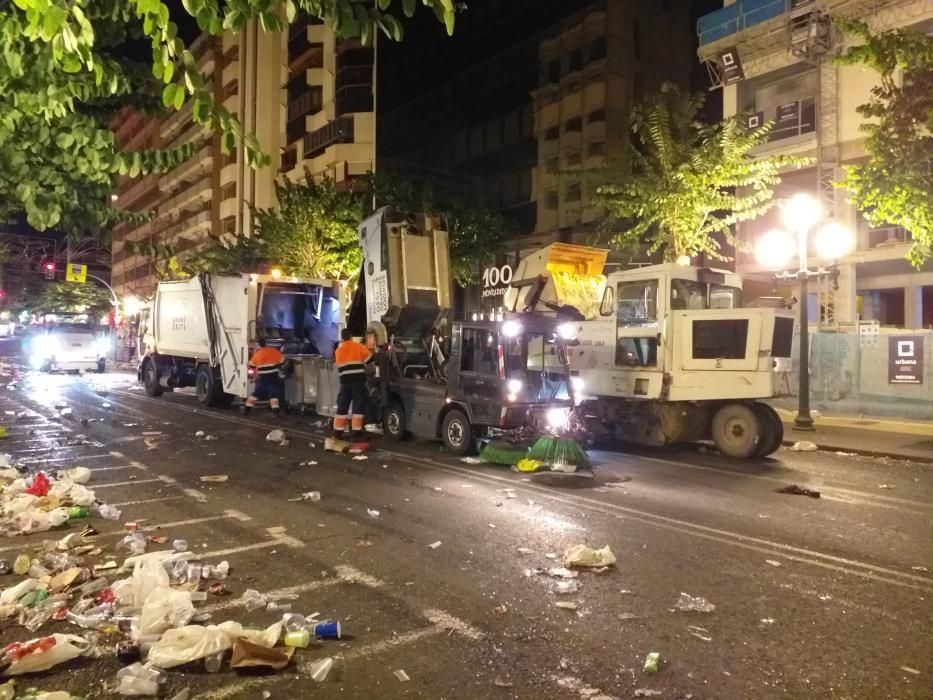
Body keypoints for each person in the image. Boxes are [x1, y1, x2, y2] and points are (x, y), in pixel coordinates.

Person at [332, 328, 371, 439]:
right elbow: (369, 358)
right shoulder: (357, 346)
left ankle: (337, 433)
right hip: (358, 381)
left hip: (345, 382)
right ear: (351, 336)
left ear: (342, 338)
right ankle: (356, 433)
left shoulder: (338, 350)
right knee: (358, 406)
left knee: (342, 406)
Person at [244, 338, 285, 416]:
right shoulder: (273, 351)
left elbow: (252, 366)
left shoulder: (257, 355)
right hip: (274, 376)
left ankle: (247, 409)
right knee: (274, 393)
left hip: (263, 377)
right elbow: (282, 361)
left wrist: (251, 376)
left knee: (257, 393)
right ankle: (275, 412)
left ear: (258, 345)